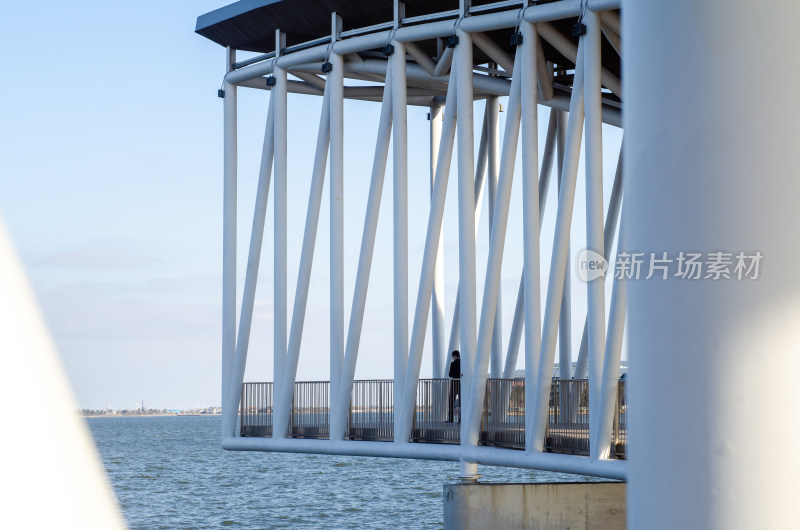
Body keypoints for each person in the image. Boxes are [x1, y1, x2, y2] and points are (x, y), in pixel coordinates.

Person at [447, 350, 461, 423]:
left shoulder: (453, 364)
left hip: (454, 383)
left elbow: (450, 374)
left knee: (451, 401)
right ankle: (461, 419)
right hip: (462, 383)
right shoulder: (463, 363)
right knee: (462, 402)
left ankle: (451, 419)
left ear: (454, 356)